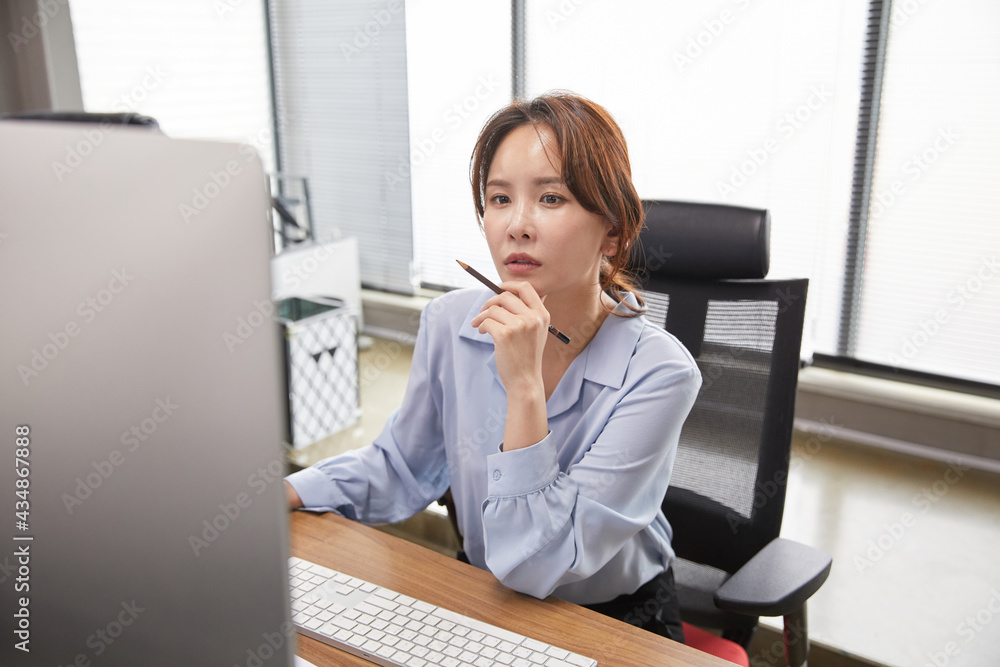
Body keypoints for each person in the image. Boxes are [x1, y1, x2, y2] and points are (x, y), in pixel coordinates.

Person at [284, 90, 701, 642]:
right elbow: (402, 465)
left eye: (551, 198)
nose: (517, 225)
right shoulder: (448, 322)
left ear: (614, 231)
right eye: (499, 198)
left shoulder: (661, 373)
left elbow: (541, 560)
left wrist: (524, 386)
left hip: (615, 619)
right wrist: (291, 492)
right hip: (487, 596)